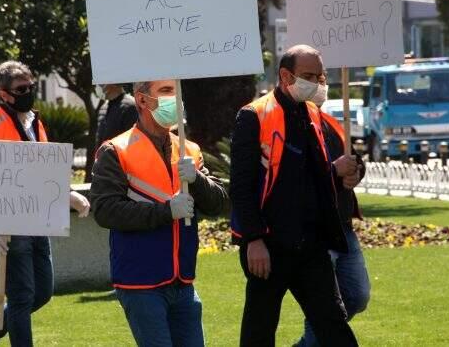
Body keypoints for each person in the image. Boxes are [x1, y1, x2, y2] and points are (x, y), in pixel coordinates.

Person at [231, 44, 359, 347]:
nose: (316, 82)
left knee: (334, 326)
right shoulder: (254, 115)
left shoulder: (313, 113)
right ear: (285, 75)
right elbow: (241, 186)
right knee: (259, 332)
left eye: (320, 76)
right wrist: (254, 239)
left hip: (311, 244)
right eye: (308, 76)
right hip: (269, 245)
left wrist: (344, 173)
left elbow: (314, 174)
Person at [0, 61, 91, 347]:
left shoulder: (36, 123)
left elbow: (45, 172)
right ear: (3, 93)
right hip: (7, 224)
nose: (29, 92)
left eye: (31, 86)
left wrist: (68, 194)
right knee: (21, 296)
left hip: (36, 220)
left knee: (42, 292)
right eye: (21, 89)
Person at [90, 79, 228, 347]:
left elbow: (218, 204)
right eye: (166, 91)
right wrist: (166, 211)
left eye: (177, 92)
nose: (175, 99)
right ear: (142, 100)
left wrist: (198, 179)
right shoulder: (115, 151)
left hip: (182, 280)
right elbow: (105, 211)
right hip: (140, 282)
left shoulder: (189, 149)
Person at [296, 81, 371, 347]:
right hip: (315, 231)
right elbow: (296, 178)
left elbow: (351, 162)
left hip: (342, 227)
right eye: (313, 78)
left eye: (323, 78)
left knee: (357, 296)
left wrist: (355, 171)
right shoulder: (292, 127)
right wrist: (334, 170)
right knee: (324, 303)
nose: (321, 84)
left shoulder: (332, 123)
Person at [95, 84, 138, 150]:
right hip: (104, 159)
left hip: (120, 158)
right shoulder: (103, 107)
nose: (98, 86)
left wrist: (113, 151)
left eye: (101, 84)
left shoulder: (131, 106)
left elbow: (135, 138)